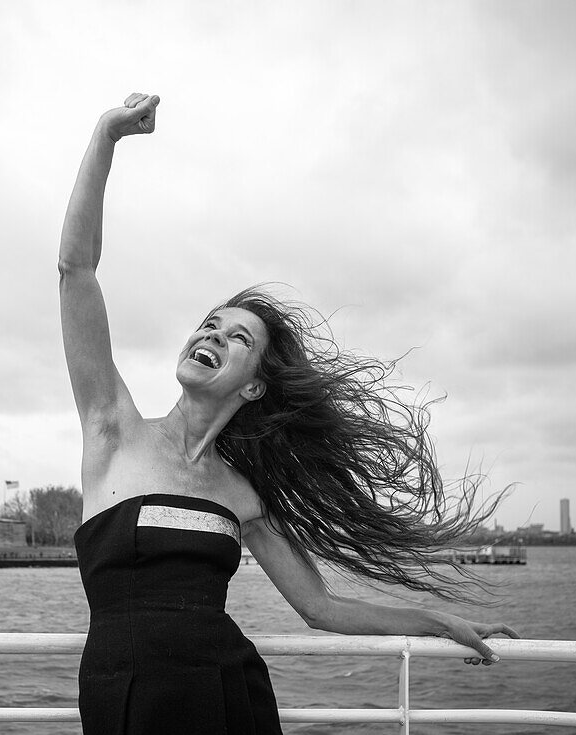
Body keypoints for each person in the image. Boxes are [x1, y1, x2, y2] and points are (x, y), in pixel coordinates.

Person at [59, 93, 519, 735]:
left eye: (238, 339)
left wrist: (443, 623)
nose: (215, 335)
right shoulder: (111, 429)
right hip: (125, 700)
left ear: (252, 389)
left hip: (228, 696)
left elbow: (320, 606)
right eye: (211, 325)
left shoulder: (241, 496)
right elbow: (75, 270)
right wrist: (106, 138)